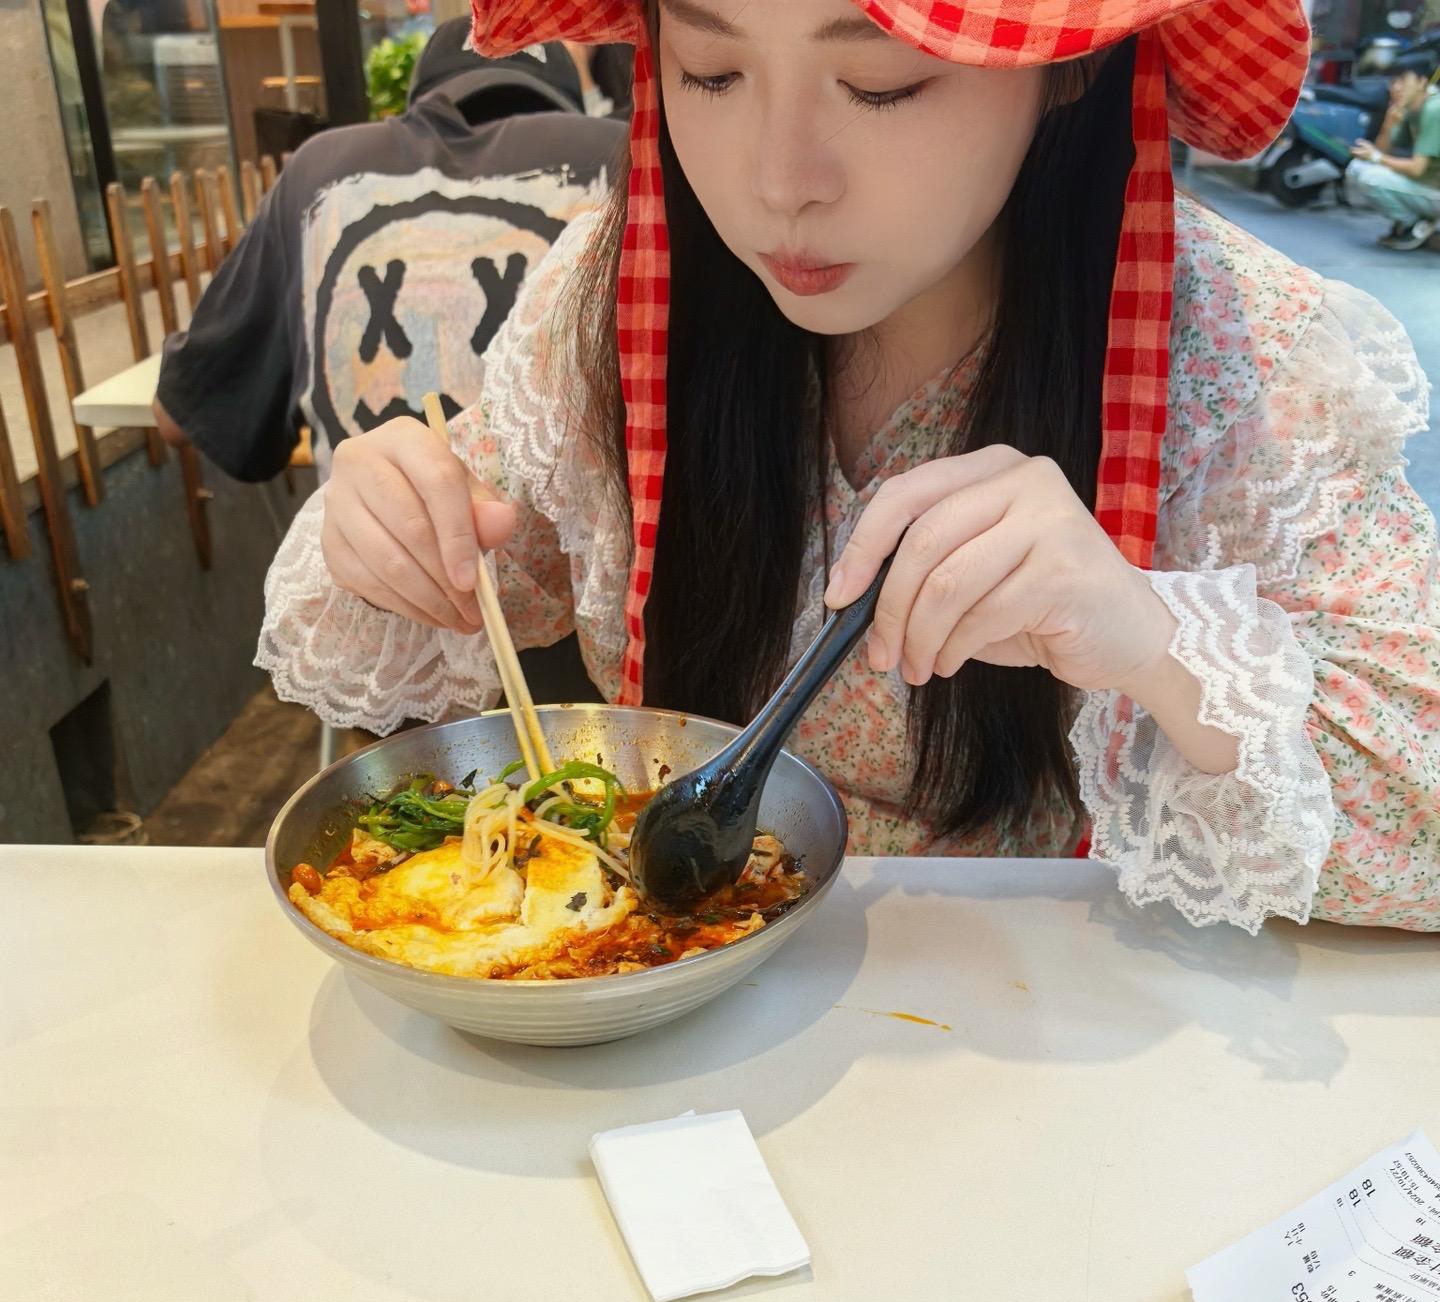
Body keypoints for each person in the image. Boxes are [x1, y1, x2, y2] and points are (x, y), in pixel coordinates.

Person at [259, 0, 1440, 934]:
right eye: (710, 71)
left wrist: (1154, 641)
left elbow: (1422, 828)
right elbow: (472, 572)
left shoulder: (1245, 358)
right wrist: (392, 528)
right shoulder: (615, 300)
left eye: (880, 83)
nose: (780, 182)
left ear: (1070, 61)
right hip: (669, 1019)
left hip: (1045, 1074)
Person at [154, 26, 625, 480]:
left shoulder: (320, 174)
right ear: (572, 104)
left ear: (420, 103)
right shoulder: (623, 156)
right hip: (597, 537)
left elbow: (179, 417)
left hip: (364, 535)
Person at [1349, 55, 1440, 249]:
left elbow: (1416, 168)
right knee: (1357, 168)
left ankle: (1413, 224)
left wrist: (1375, 156)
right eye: (1393, 81)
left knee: (1370, 177)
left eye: (1403, 80)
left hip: (1434, 188)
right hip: (1426, 184)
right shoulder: (1409, 107)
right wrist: (1389, 123)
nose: (1396, 87)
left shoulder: (1434, 109)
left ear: (1422, 82)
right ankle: (1415, 221)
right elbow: (1382, 151)